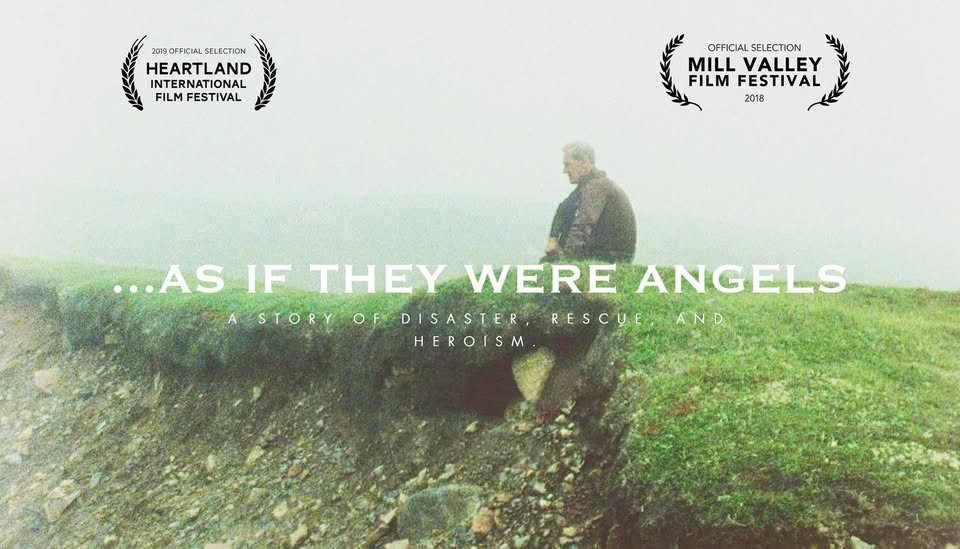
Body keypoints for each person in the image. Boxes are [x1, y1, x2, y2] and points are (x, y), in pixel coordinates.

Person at [543, 142, 637, 263]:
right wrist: (553, 238)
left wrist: (565, 260)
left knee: (549, 262)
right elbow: (563, 208)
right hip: (605, 252)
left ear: (583, 162)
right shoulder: (590, 184)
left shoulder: (596, 187)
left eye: (567, 165)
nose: (565, 171)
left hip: (613, 257)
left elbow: (583, 224)